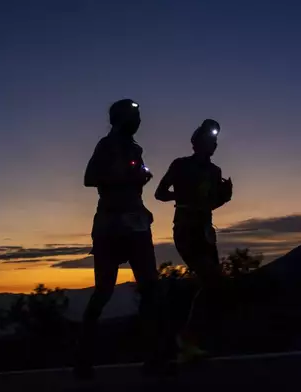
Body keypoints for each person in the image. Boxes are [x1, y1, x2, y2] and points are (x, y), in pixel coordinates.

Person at [74, 99, 170, 378]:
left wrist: (140, 178)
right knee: (104, 290)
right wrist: (124, 175)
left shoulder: (135, 149)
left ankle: (156, 357)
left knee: (151, 289)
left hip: (136, 224)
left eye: (139, 115)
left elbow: (135, 179)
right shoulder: (106, 145)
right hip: (111, 226)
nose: (139, 120)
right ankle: (83, 358)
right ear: (120, 118)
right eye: (135, 115)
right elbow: (89, 178)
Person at [155, 119, 233, 363]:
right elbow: (159, 193)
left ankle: (190, 340)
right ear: (197, 143)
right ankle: (184, 339)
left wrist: (224, 198)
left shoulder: (215, 172)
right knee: (210, 278)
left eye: (216, 142)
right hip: (186, 228)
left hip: (206, 229)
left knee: (215, 284)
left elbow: (210, 204)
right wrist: (181, 194)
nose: (215, 145)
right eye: (210, 141)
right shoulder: (180, 165)